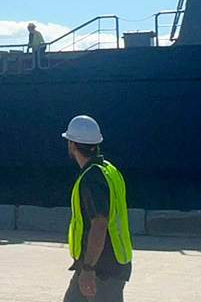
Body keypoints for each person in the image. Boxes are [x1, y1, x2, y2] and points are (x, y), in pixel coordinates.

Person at [61, 115, 132, 302]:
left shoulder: (92, 179)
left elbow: (100, 224)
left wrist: (89, 269)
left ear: (73, 144)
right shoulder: (109, 170)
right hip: (105, 264)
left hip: (102, 270)